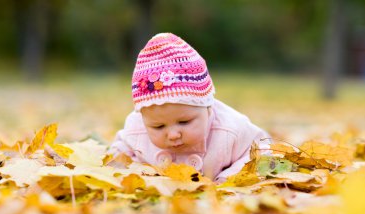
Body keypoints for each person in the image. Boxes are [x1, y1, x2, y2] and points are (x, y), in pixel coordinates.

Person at [109, 33, 270, 182]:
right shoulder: (135, 130)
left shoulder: (230, 130)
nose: (173, 134)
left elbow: (263, 150)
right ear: (143, 119)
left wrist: (227, 178)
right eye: (158, 126)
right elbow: (119, 153)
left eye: (184, 122)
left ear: (208, 108)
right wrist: (129, 174)